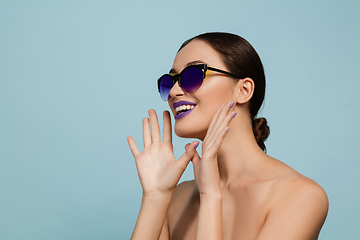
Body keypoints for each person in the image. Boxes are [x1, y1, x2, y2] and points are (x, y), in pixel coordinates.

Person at [127, 32, 328, 240]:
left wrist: (211, 197)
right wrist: (155, 196)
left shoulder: (300, 196)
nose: (175, 91)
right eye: (171, 81)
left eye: (193, 75)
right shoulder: (175, 196)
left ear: (243, 90)